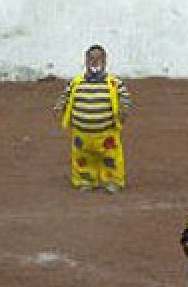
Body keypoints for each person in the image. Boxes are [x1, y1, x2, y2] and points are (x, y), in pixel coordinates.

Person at [55, 45, 132, 192]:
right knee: (82, 158)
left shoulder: (114, 83)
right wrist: (59, 107)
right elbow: (65, 96)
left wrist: (124, 110)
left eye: (98, 59)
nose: (94, 62)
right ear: (85, 61)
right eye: (91, 59)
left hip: (106, 132)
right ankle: (85, 180)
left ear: (105, 61)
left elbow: (125, 98)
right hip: (81, 133)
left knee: (111, 158)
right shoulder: (76, 82)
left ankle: (112, 181)